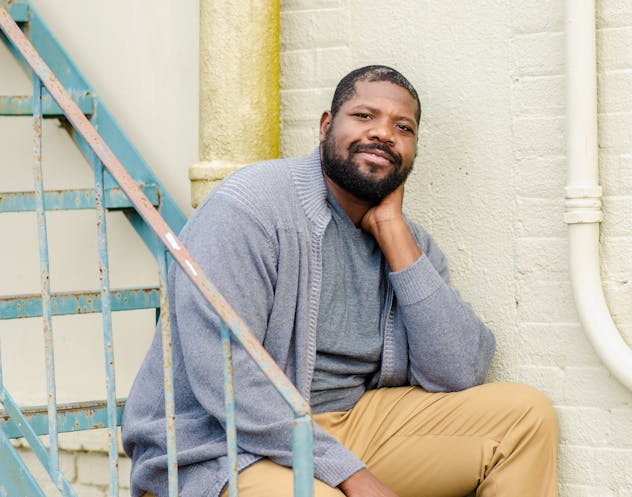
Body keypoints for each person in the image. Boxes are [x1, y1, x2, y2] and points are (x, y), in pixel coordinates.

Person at [122, 65, 558, 497]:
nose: (384, 133)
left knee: (525, 416)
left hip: (350, 424)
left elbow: (459, 370)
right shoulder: (250, 207)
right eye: (365, 116)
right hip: (224, 446)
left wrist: (392, 230)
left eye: (402, 127)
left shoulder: (408, 240)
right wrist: (353, 476)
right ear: (327, 126)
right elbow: (229, 380)